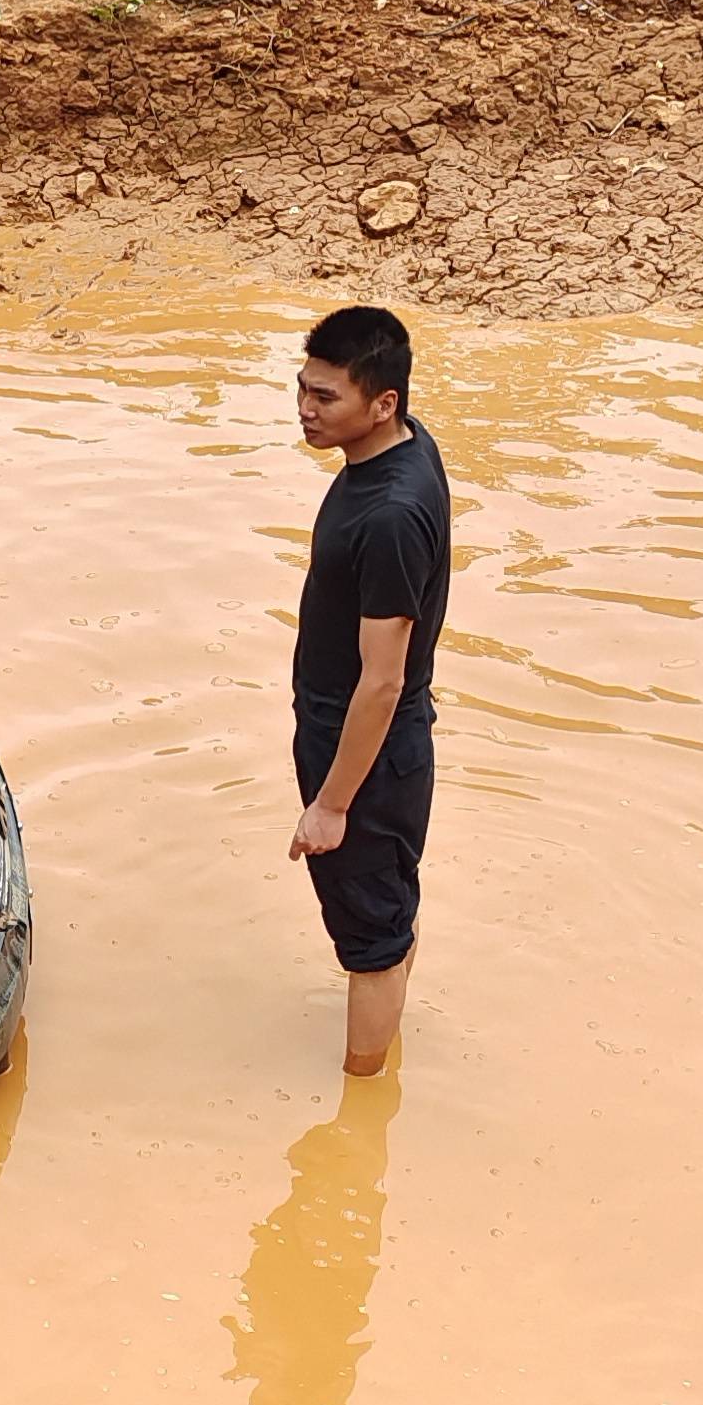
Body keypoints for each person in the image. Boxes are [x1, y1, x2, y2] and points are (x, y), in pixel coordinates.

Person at [284, 304, 451, 1078]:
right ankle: (384, 1050)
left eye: (327, 399)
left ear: (383, 403)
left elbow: (381, 682)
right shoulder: (410, 453)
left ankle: (362, 1101)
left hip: (364, 749)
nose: (306, 411)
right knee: (386, 913)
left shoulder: (388, 515)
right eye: (302, 390)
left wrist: (332, 803)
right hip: (379, 740)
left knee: (372, 941)